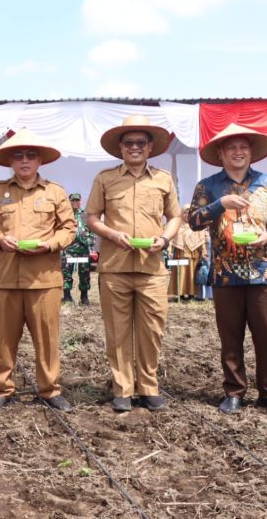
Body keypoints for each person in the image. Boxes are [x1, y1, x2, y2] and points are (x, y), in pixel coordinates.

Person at [189, 124, 267, 416]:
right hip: (225, 274)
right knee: (230, 337)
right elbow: (194, 220)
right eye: (231, 147)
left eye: (243, 147)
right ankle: (234, 391)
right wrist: (219, 204)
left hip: (266, 273)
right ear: (221, 153)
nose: (238, 152)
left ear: (251, 153)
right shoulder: (208, 187)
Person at [86, 116, 182, 413]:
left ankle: (149, 386)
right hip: (115, 267)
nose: (135, 148)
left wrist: (164, 240)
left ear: (150, 147)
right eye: (129, 143)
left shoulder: (163, 180)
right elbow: (91, 218)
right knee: (118, 331)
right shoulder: (105, 178)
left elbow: (175, 217)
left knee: (153, 330)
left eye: (141, 143)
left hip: (152, 267)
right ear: (120, 148)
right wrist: (113, 234)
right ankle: (123, 389)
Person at [0, 129, 76, 413]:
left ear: (40, 160)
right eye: (18, 155)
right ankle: (3, 389)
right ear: (10, 161)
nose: (24, 160)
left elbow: (69, 229)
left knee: (47, 338)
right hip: (5, 278)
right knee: (4, 339)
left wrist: (49, 244)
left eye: (31, 155)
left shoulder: (55, 192)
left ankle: (50, 389)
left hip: (44, 279)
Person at [168, 205, 207, 301]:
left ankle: (191, 294)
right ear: (181, 214)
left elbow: (201, 240)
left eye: (189, 212)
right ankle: (180, 294)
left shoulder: (196, 226)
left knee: (191, 273)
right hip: (180, 253)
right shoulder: (177, 226)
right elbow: (170, 238)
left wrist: (204, 251)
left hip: (193, 254)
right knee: (180, 273)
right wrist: (169, 250)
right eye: (185, 212)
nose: (187, 215)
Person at [61, 192, 94, 305]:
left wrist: (88, 240)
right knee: (67, 274)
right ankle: (67, 297)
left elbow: (93, 232)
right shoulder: (65, 215)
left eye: (77, 200)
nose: (75, 202)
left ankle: (84, 297)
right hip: (68, 251)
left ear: (80, 201)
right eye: (73, 200)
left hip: (83, 250)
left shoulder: (86, 216)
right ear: (69, 202)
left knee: (84, 274)